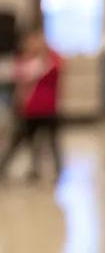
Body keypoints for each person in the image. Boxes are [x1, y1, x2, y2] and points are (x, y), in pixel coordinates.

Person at [0, 24, 62, 182]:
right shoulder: (27, 60)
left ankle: (56, 171)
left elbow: (52, 68)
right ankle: (27, 169)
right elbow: (18, 74)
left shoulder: (51, 60)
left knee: (51, 143)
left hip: (47, 109)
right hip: (31, 109)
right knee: (22, 141)